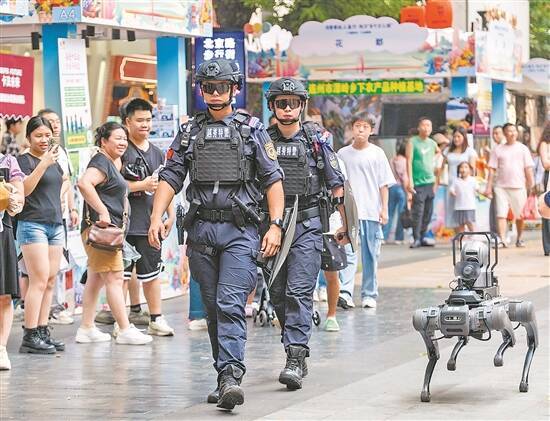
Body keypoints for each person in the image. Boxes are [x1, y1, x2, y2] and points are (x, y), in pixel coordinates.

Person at [149, 58, 284, 410]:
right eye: (208, 87)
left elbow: (273, 180)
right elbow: (170, 176)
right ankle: (223, 373)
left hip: (240, 230)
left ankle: (231, 375)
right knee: (212, 307)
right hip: (202, 230)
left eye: (221, 86)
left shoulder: (252, 130)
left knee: (229, 302)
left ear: (234, 89)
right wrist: (156, 216)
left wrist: (275, 225)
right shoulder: (190, 132)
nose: (214, 93)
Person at [264, 78, 347, 385]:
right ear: (272, 106)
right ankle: (293, 346)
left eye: (293, 103)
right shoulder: (261, 141)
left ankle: (296, 357)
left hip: (307, 225)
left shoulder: (316, 140)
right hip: (271, 226)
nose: (287, 109)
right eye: (281, 103)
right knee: (277, 293)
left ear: (302, 105)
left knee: (298, 291)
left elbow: (336, 184)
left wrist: (345, 225)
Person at [76, 122, 152, 345]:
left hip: (106, 231)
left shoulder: (110, 163)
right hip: (102, 231)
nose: (122, 142)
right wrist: (102, 211)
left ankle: (86, 328)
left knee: (95, 279)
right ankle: (125, 329)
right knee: (115, 278)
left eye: (124, 139)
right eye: (117, 138)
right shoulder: (101, 161)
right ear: (103, 141)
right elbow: (84, 183)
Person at [120, 98, 175, 336]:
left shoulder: (158, 153)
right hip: (123, 225)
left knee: (152, 275)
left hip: (150, 224)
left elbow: (167, 186)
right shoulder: (121, 150)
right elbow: (112, 184)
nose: (145, 124)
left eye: (148, 120)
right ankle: (121, 323)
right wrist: (140, 185)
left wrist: (170, 215)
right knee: (121, 276)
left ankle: (156, 318)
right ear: (128, 122)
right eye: (139, 120)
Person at [16, 116, 65, 354]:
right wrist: (43, 164)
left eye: (47, 135)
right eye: (38, 136)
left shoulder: (54, 159)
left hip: (55, 224)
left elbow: (63, 182)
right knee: (38, 279)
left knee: (50, 280)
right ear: (28, 138)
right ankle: (30, 334)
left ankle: (42, 329)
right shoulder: (22, 161)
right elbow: (24, 190)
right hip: (32, 224)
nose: (44, 140)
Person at [338, 115, 395, 308]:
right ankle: (345, 292)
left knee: (370, 255)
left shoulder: (377, 153)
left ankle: (369, 294)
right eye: (357, 126)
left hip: (371, 211)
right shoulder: (342, 154)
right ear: (352, 129)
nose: (361, 130)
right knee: (348, 254)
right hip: (349, 214)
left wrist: (384, 209)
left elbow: (383, 184)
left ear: (371, 130)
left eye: (365, 126)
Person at [37, 108, 78, 325]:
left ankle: (57, 304)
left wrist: (72, 209)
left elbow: (67, 180)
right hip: (41, 217)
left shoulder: (61, 151)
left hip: (60, 215)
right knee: (42, 269)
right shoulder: (37, 154)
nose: (55, 125)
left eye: (57, 121)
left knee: (60, 264)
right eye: (50, 121)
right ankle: (45, 311)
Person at [484, 123, 535, 248]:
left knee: (520, 215)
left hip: (519, 186)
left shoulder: (523, 148)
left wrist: (531, 184)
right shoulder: (497, 149)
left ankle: (519, 238)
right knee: (501, 214)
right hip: (500, 187)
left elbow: (528, 168)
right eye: (509, 131)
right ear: (504, 133)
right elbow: (492, 170)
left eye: (514, 131)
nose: (512, 133)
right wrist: (488, 187)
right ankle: (502, 239)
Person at [0, 151, 25, 369]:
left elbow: (19, 204)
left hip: (2, 232)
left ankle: (1, 349)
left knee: (4, 295)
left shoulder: (7, 162)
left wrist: (11, 196)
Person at [405, 117, 440, 248]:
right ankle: (416, 238)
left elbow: (439, 155)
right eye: (424, 125)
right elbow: (409, 161)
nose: (426, 128)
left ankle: (423, 235)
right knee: (418, 212)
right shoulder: (412, 142)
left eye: (429, 125)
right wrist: (410, 180)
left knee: (428, 212)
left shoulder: (432, 143)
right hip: (418, 183)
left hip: (430, 182)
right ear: (419, 127)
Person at [442, 127, 477, 229]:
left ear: (464, 137)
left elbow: (472, 170)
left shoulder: (470, 151)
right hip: (451, 184)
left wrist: (472, 186)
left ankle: (472, 235)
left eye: (459, 136)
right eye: (454, 136)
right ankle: (459, 236)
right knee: (452, 211)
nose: (456, 139)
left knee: (466, 213)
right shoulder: (448, 151)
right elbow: (441, 167)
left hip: (464, 186)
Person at [383, 140, 408, 244]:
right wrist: (407, 191)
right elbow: (404, 177)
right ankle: (399, 238)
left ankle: (384, 236)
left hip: (391, 187)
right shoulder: (405, 161)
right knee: (401, 213)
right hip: (401, 188)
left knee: (389, 212)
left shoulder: (392, 159)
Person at [450, 162, 479, 232]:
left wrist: (477, 192)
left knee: (469, 222)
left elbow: (477, 189)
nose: (463, 169)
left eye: (466, 167)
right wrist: (452, 193)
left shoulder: (473, 180)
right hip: (459, 207)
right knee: (461, 224)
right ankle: (462, 238)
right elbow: (451, 189)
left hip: (470, 206)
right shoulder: (456, 180)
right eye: (461, 167)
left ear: (470, 170)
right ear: (458, 170)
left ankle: (473, 235)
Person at [537, 123, 550, 255]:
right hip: (549, 177)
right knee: (547, 209)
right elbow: (545, 164)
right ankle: (548, 246)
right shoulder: (545, 144)